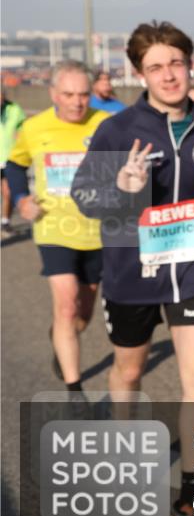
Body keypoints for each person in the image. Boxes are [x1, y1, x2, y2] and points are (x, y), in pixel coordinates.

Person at [71, 21, 194, 516]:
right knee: (129, 370)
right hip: (131, 271)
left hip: (193, 269)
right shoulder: (119, 130)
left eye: (176, 64)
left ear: (191, 65)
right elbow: (85, 197)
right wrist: (121, 186)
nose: (169, 75)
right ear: (140, 73)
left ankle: (192, 499)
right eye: (156, 67)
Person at [6, 62, 110, 393]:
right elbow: (15, 163)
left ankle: (60, 336)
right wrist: (22, 198)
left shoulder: (108, 125)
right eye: (68, 94)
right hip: (53, 228)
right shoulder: (35, 127)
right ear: (53, 94)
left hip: (97, 232)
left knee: (82, 315)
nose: (77, 103)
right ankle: (74, 389)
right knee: (66, 304)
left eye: (83, 95)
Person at [1, 87, 27, 233]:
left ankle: (5, 221)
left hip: (8, 158)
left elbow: (23, 129)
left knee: (8, 192)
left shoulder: (14, 110)